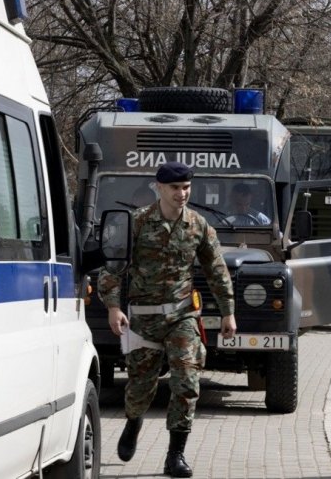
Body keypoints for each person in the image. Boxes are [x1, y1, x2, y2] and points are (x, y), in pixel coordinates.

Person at [98, 162, 237, 478]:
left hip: (183, 316)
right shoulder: (137, 223)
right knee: (139, 390)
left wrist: (228, 311)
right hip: (144, 320)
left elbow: (217, 270)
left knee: (187, 380)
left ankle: (175, 455)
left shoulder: (198, 226)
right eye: (175, 188)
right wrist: (112, 307)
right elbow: (113, 267)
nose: (182, 194)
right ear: (159, 188)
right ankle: (133, 423)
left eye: (186, 187)